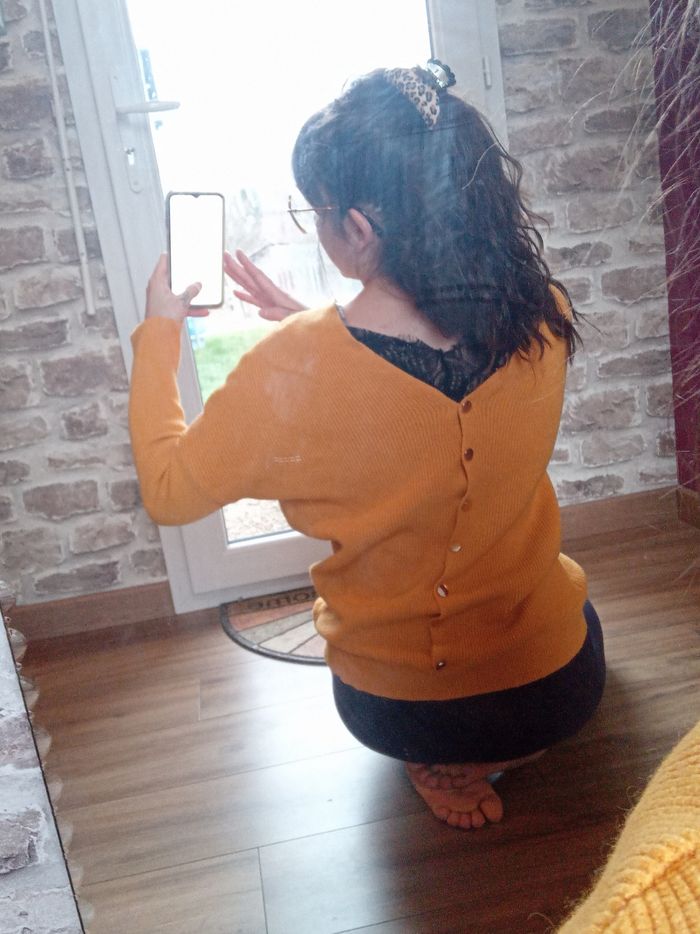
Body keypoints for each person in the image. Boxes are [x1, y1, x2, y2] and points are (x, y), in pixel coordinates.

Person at [128, 59, 605, 831]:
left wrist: (160, 330)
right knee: (574, 604)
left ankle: (449, 758)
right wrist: (309, 324)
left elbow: (169, 491)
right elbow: (421, 379)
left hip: (403, 709)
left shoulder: (293, 367)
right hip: (559, 687)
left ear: (356, 227)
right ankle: (518, 745)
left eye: (314, 211)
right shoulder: (542, 312)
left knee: (435, 704)